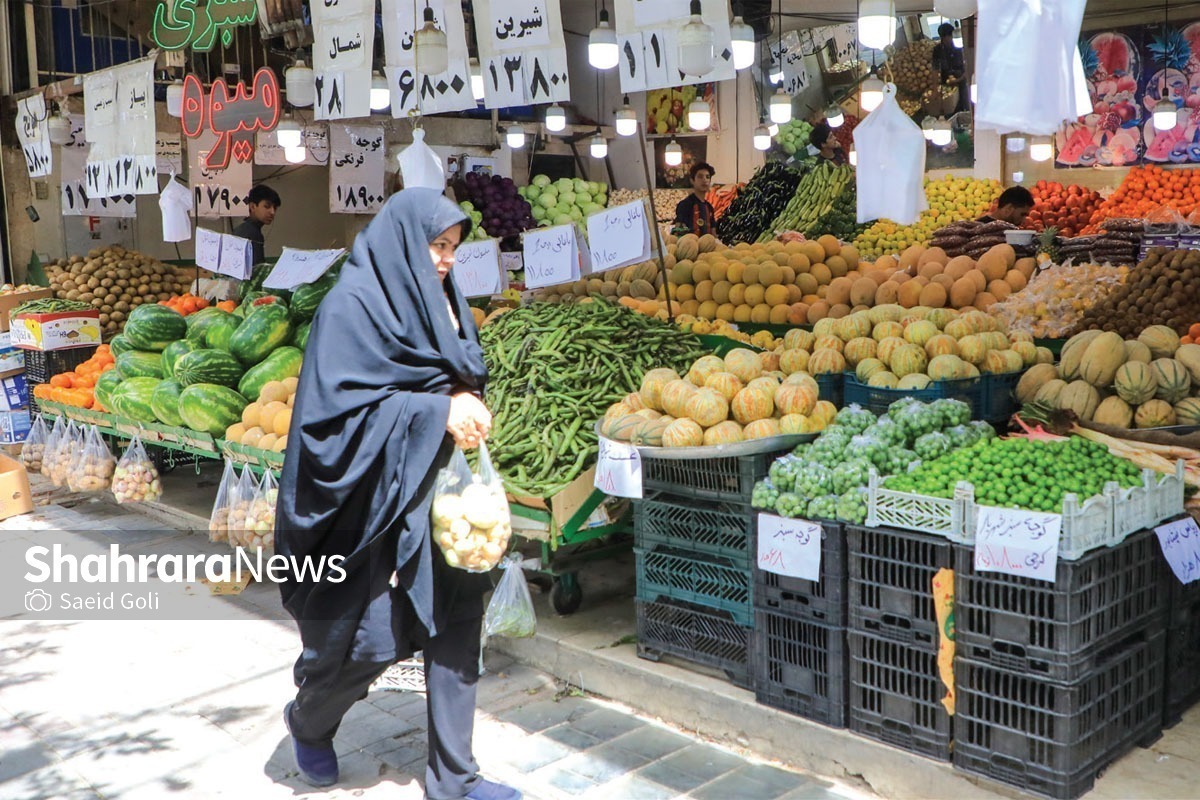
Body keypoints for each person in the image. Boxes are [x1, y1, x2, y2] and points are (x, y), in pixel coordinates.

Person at [275, 188, 520, 800]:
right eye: (436, 245)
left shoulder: (439, 299)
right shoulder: (349, 309)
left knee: (458, 616)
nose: (445, 259)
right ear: (401, 242)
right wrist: (435, 409)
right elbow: (332, 422)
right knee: (373, 634)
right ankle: (310, 719)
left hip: (436, 488)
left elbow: (459, 369)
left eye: (453, 248)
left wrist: (460, 409)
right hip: (365, 496)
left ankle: (455, 783)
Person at [231, 184, 281, 265]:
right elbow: (255, 270)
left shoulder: (242, 229)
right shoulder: (252, 233)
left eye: (275, 208)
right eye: (267, 206)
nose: (272, 212)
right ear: (253, 207)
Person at [931, 22, 967, 115]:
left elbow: (967, 62)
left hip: (961, 79)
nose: (947, 39)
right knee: (951, 107)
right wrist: (935, 88)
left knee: (965, 103)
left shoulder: (959, 46)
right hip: (947, 82)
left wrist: (962, 77)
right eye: (944, 37)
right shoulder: (937, 50)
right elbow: (935, 69)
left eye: (949, 36)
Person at [673, 162, 716, 236]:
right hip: (689, 245)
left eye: (707, 177)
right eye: (700, 177)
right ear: (692, 180)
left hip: (707, 246)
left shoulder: (709, 208)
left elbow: (713, 233)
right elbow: (678, 231)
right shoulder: (685, 205)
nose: (704, 180)